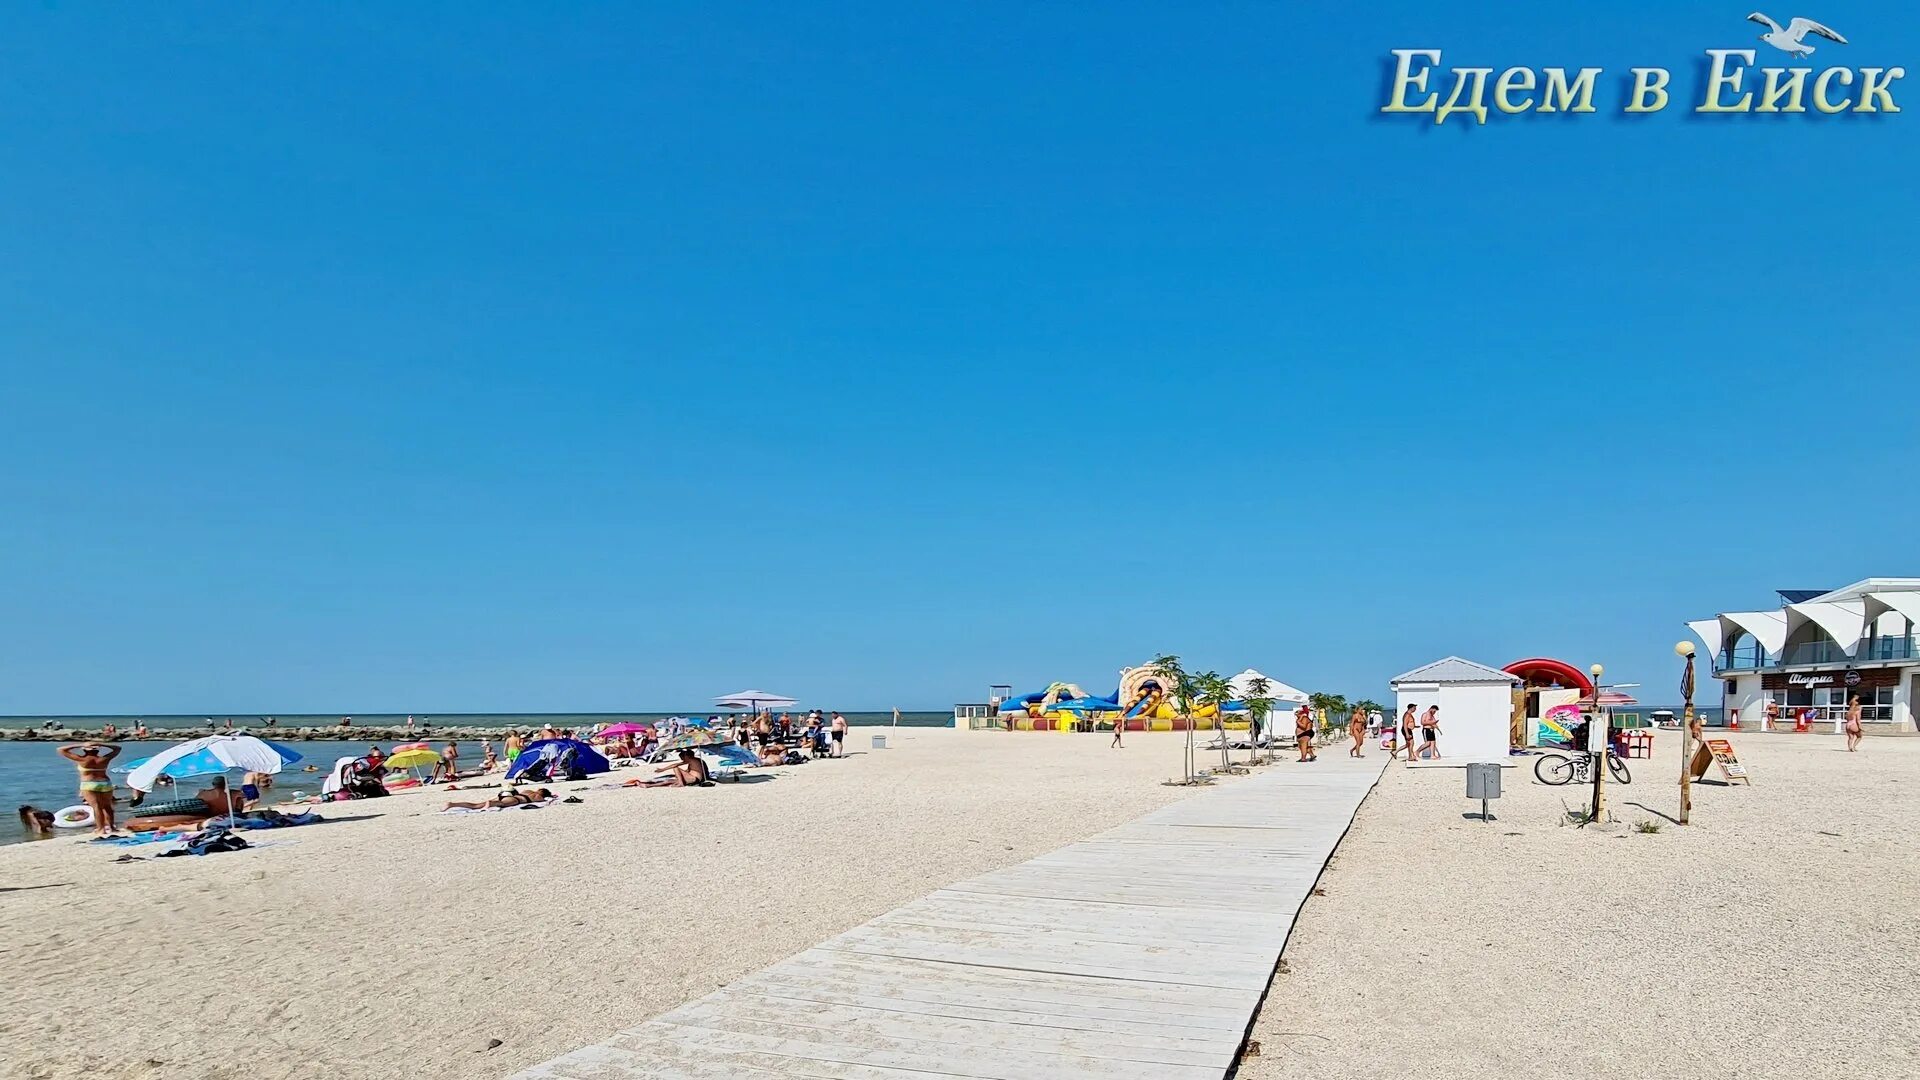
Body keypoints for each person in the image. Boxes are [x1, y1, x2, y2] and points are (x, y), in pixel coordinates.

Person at [57, 742, 121, 837]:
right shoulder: (103, 759)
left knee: (97, 807)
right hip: (105, 782)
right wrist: (100, 743)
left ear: (84, 750)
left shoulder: (81, 759)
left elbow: (60, 749)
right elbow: (117, 748)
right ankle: (112, 827)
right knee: (107, 806)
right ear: (97, 750)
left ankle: (101, 829)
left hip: (89, 783)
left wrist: (80, 744)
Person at [443, 787, 551, 811]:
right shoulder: (537, 796)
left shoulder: (527, 790)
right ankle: (491, 803)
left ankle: (452, 804)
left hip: (508, 795)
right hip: (515, 800)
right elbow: (543, 801)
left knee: (476, 805)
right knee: (500, 804)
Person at [645, 749, 711, 788]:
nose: (683, 759)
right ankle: (649, 785)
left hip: (694, 779)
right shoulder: (695, 761)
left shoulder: (692, 760)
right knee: (668, 781)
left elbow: (675, 765)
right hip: (692, 778)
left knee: (675, 768)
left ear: (687, 756)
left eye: (683, 758)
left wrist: (662, 769)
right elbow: (689, 771)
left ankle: (681, 783)